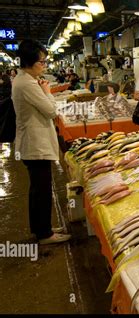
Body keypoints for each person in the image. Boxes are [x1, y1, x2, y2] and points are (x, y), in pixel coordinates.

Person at [11, 39, 71, 245]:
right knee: (42, 189)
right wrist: (47, 92)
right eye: (42, 62)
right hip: (35, 144)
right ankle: (45, 234)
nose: (44, 65)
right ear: (29, 62)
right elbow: (52, 111)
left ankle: (41, 228)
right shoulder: (27, 84)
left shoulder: (24, 80)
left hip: (33, 142)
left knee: (39, 189)